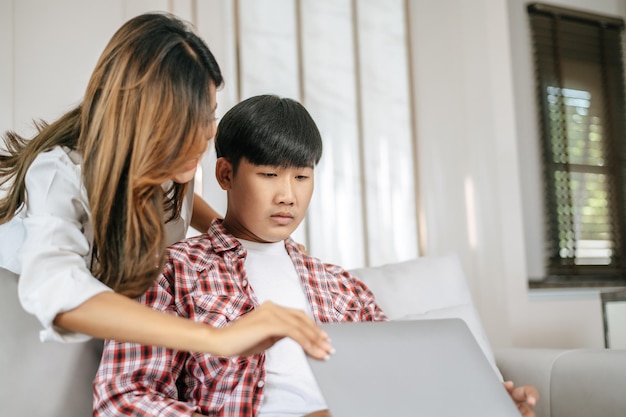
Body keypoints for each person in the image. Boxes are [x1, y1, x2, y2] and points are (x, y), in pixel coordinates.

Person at [93, 94, 538, 417]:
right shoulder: (175, 271)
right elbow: (123, 399)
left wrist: (481, 403)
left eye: (302, 177)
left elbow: (400, 383)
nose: (288, 196)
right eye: (269, 175)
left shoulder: (341, 286)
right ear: (225, 174)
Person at [0, 13, 331, 360]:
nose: (205, 134)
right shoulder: (59, 176)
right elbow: (59, 292)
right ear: (141, 120)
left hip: (115, 338)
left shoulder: (172, 163)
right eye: (186, 122)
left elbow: (176, 204)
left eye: (210, 114)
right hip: (30, 341)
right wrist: (217, 338)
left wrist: (233, 238)